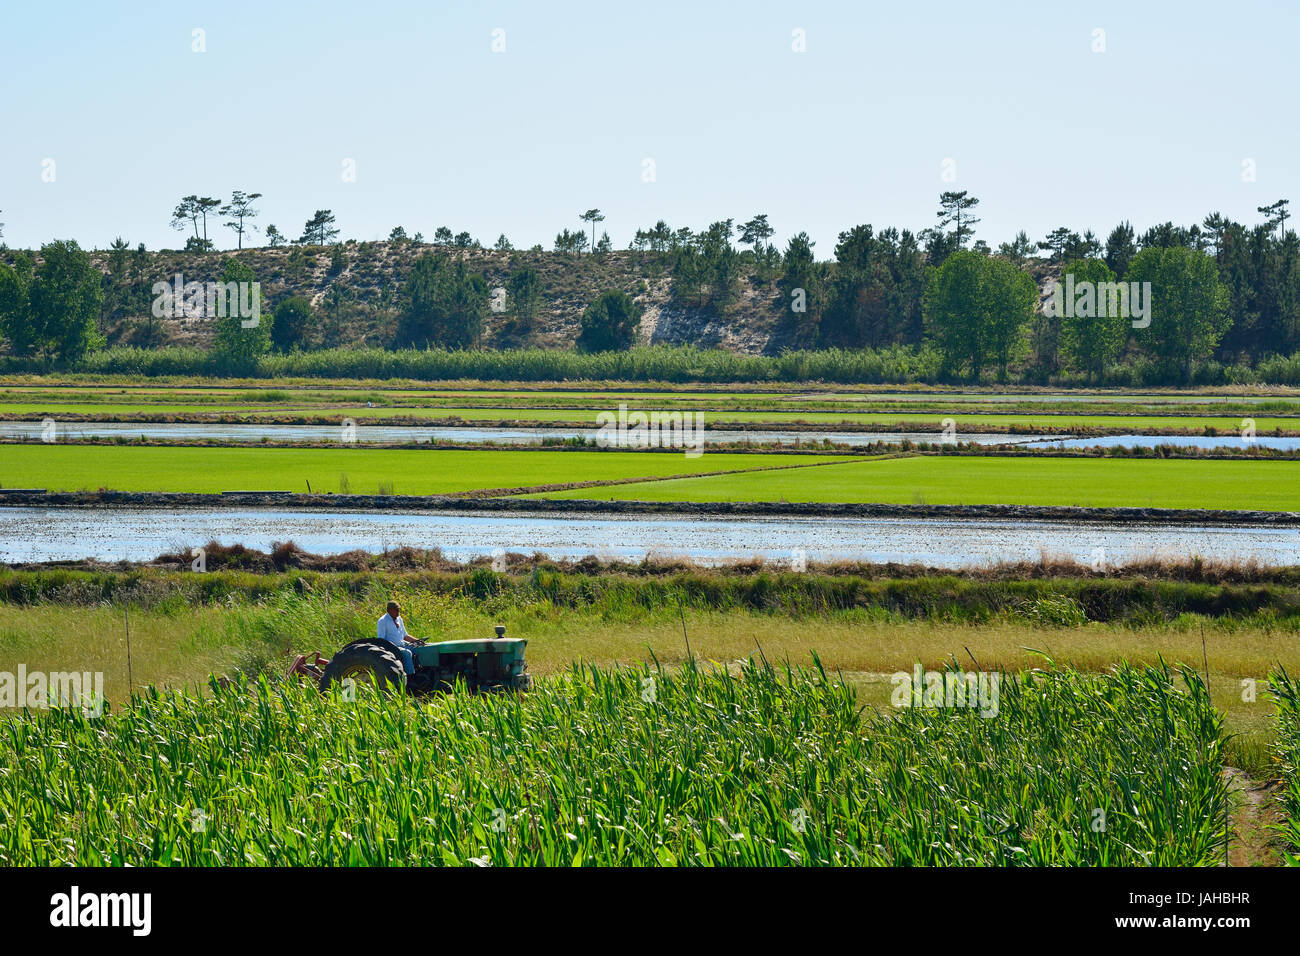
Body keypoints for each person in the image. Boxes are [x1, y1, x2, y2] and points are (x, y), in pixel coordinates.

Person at [377, 600, 417, 675]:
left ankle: (421, 671)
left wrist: (418, 641)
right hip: (392, 647)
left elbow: (405, 636)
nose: (398, 611)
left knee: (418, 648)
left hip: (402, 644)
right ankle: (411, 676)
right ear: (389, 610)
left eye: (398, 609)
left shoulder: (399, 619)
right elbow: (381, 640)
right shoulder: (382, 621)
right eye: (396, 610)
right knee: (407, 653)